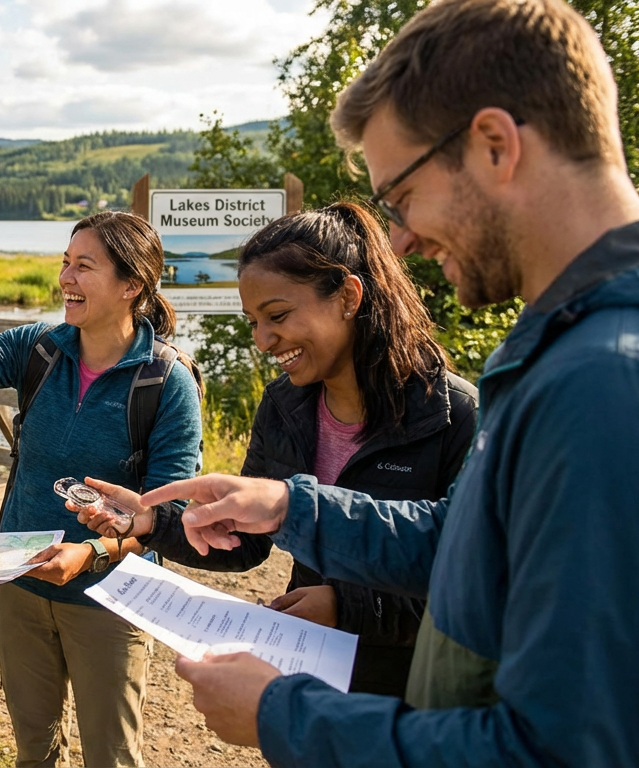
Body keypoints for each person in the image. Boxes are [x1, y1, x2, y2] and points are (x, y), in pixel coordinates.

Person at [141, 0, 639, 765]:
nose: (399, 239)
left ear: (495, 145)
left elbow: (566, 753)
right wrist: (290, 506)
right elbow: (466, 544)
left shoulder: (608, 385)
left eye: (402, 197)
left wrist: (281, 714)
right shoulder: (573, 344)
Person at [79, 201, 478, 697]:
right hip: (306, 685)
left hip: (412, 698)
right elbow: (245, 544)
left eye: (278, 315)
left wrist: (346, 609)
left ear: (348, 297)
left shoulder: (453, 416)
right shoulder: (282, 407)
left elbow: (474, 582)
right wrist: (150, 523)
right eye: (252, 321)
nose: (264, 341)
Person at [0, 211, 203, 766]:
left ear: (131, 285)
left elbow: (171, 515)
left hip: (111, 598)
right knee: (34, 751)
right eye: (65, 263)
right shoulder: (38, 348)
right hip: (20, 584)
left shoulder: (166, 382)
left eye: (84, 266)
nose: (66, 278)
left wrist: (90, 554)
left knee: (111, 757)